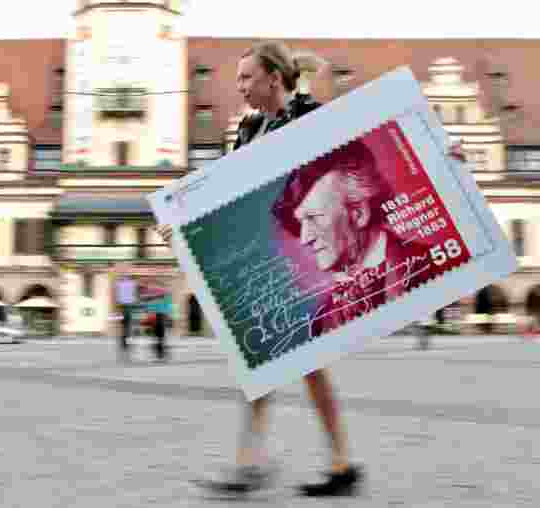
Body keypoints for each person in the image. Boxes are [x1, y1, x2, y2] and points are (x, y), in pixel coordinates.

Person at [157, 41, 466, 498]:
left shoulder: (311, 116)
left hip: (315, 259)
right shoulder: (248, 130)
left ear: (273, 79)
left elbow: (377, 146)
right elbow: (227, 197)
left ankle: (300, 463)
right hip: (275, 256)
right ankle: (286, 463)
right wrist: (181, 222)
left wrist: (440, 154)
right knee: (268, 359)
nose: (239, 86)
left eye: (246, 77)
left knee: (295, 363)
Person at [269, 139, 437, 337]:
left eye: (313, 217)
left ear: (359, 214)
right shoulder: (323, 318)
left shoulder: (435, 265)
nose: (305, 238)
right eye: (301, 222)